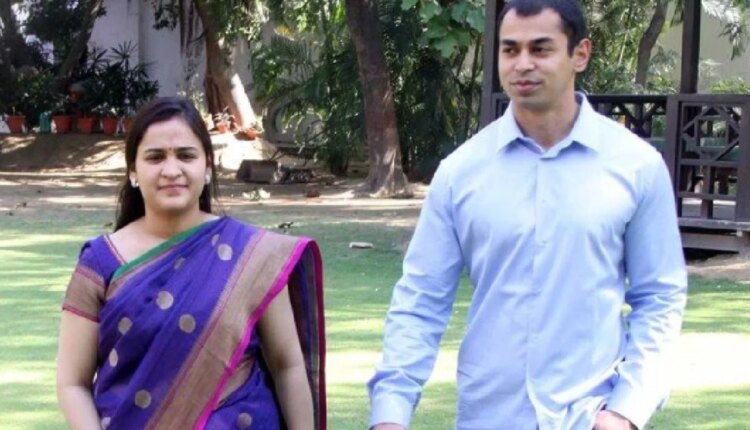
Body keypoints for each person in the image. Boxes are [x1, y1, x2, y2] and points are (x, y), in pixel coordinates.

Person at [367, 1, 687, 429]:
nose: (522, 64)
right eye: (509, 49)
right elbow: (420, 299)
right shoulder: (461, 172)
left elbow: (660, 297)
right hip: (488, 416)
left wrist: (627, 410)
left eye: (540, 48)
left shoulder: (636, 166)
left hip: (589, 415)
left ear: (580, 54)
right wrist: (390, 413)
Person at [56, 97, 326, 430]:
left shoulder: (253, 255)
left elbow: (287, 365)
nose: (172, 170)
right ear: (133, 172)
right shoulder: (99, 261)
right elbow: (72, 382)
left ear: (207, 167)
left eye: (186, 155)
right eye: (155, 157)